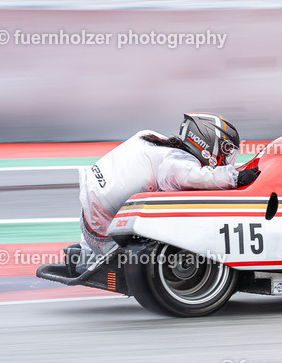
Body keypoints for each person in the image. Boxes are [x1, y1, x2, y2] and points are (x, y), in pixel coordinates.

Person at [74, 113, 256, 273]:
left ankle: (87, 253)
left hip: (87, 221)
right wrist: (235, 177)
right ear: (206, 141)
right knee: (181, 208)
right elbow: (191, 177)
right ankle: (102, 256)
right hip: (105, 232)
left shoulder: (151, 140)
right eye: (226, 150)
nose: (228, 159)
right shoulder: (177, 161)